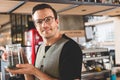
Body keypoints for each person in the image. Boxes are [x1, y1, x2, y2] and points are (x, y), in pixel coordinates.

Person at [4, 3, 83, 80]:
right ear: (36, 26)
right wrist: (22, 59)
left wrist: (35, 71)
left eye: (48, 19)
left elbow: (36, 73)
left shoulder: (71, 48)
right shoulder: (40, 47)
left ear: (57, 22)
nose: (44, 25)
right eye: (39, 22)